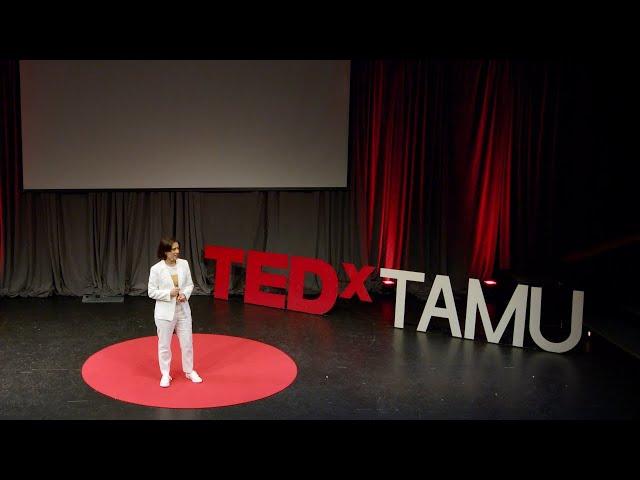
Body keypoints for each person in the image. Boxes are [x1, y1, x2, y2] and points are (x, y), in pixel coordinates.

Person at [148, 237, 203, 387]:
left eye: (178, 248)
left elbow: (190, 284)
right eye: (173, 249)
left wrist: (185, 294)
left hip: (183, 311)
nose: (177, 252)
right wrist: (169, 293)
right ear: (165, 251)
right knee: (164, 345)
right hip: (165, 313)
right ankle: (165, 374)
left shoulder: (184, 264)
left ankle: (189, 371)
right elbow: (151, 292)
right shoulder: (156, 269)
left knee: (187, 343)